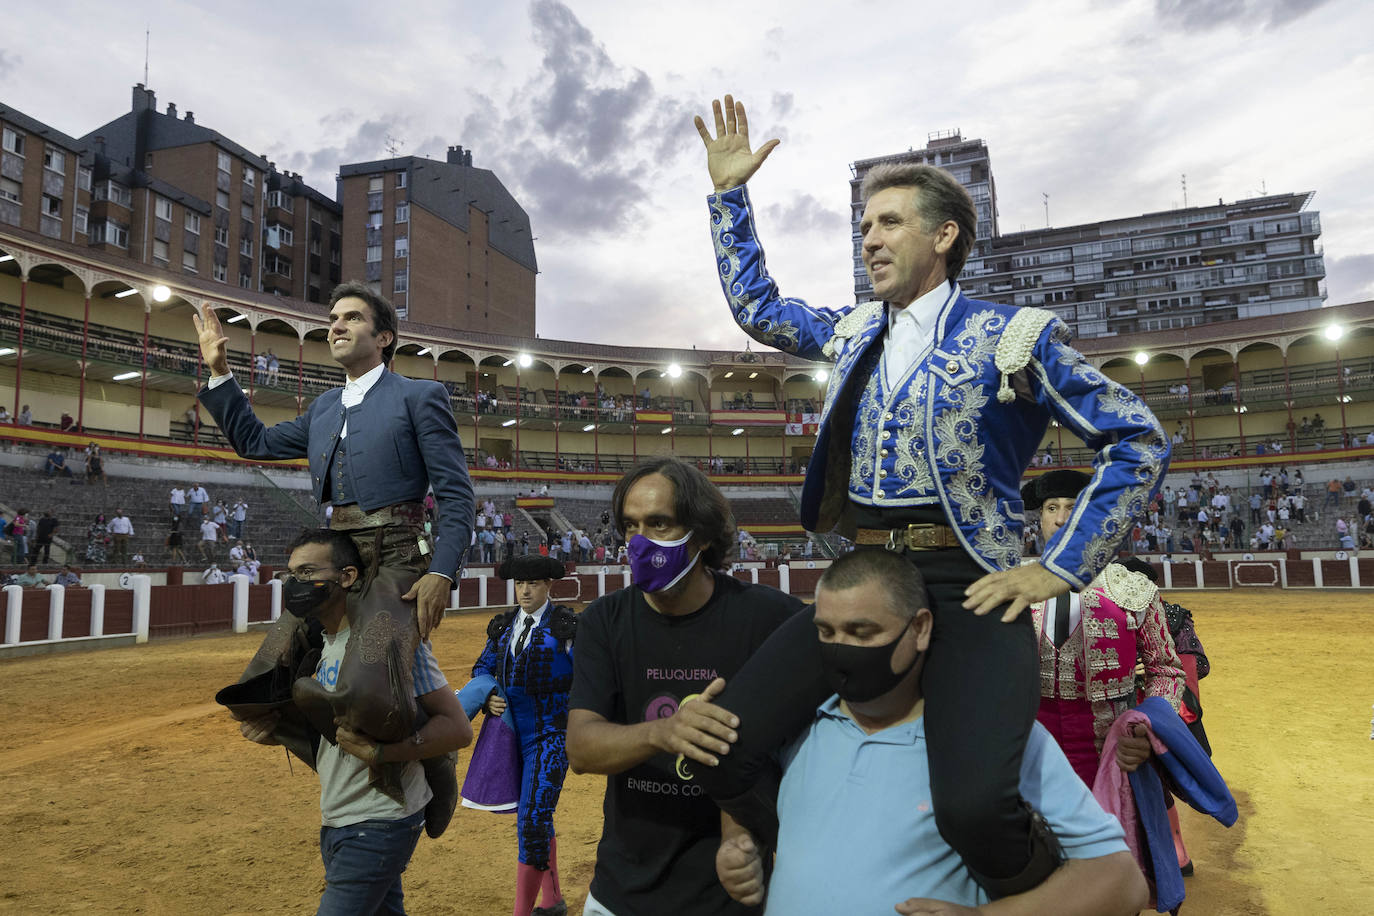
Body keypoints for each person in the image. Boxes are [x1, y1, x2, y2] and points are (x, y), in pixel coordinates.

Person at [691, 95, 1169, 896]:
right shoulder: (851, 332)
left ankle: (1037, 904)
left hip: (973, 585)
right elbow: (757, 310)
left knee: (976, 807)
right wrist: (729, 196)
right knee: (722, 748)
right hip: (868, 582)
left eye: (887, 223)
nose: (869, 239)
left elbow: (1138, 436)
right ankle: (817, 862)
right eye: (864, 226)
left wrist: (1057, 566)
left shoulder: (1013, 335)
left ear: (943, 235)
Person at [716, 550, 1145, 915]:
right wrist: (736, 839)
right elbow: (743, 780)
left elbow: (1122, 883)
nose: (840, 650)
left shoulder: (993, 736)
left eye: (861, 632)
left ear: (920, 629)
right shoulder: (796, 726)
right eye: (826, 633)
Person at [566, 459, 801, 916]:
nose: (640, 541)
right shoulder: (603, 620)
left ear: (704, 535)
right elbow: (581, 748)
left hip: (730, 893)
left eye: (659, 524)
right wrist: (664, 732)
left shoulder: (771, 619)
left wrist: (747, 834)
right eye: (630, 526)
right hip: (622, 893)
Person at [195, 282, 474, 641]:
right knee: (278, 660)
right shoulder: (324, 407)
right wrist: (219, 371)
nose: (336, 326)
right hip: (336, 556)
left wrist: (442, 573)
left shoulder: (419, 396)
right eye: (333, 319)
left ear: (383, 338)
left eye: (353, 318)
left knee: (370, 671)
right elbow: (255, 442)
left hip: (399, 557)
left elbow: (456, 494)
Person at [234, 529, 473, 914]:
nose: (296, 584)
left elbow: (458, 729)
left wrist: (384, 751)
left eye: (308, 571)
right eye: (290, 574)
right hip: (337, 815)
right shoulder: (316, 648)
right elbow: (333, 732)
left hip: (381, 819)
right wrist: (274, 734)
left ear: (346, 577)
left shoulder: (394, 646)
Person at [1022, 470, 1185, 788]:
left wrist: (1146, 728)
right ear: (1040, 518)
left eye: (1073, 507)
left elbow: (1167, 672)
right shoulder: (1011, 584)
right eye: (1052, 508)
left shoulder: (1132, 587)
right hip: (1029, 752)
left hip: (1112, 756)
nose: (1061, 519)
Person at [462, 555, 577, 916]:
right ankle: (553, 900)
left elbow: (593, 675)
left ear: (548, 586)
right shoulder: (503, 627)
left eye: (533, 583)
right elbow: (482, 667)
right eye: (519, 584)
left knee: (531, 821)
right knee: (537, 817)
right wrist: (490, 694)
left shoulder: (568, 628)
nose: (525, 590)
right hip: (512, 735)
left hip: (551, 737)